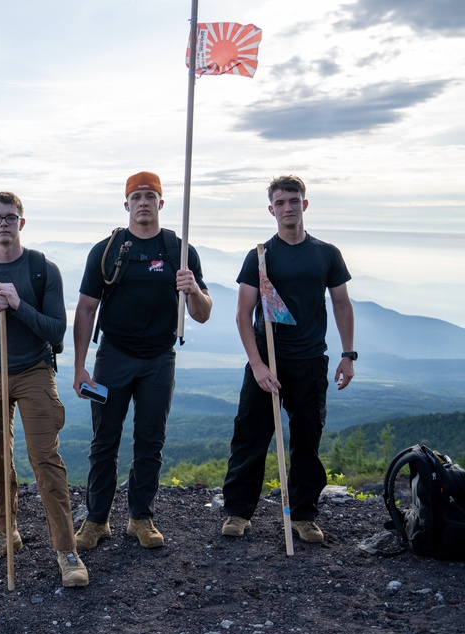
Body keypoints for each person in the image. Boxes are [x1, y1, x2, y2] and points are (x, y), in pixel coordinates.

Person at [72, 172, 212, 551]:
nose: (144, 202)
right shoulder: (107, 250)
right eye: (137, 197)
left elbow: (203, 313)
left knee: (150, 440)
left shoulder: (180, 251)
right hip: (112, 357)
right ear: (127, 204)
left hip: (159, 358)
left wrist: (192, 287)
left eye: (151, 196)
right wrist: (79, 366)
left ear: (162, 203)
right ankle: (96, 520)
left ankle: (141, 518)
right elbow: (86, 309)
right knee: (104, 442)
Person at [0, 191, 88, 588]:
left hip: (33, 370)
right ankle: (4, 531)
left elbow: (56, 331)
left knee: (45, 461)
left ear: (21, 223)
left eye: (10, 217)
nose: (3, 224)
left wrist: (17, 305)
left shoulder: (41, 269)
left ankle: (67, 550)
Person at [221, 175, 356, 543]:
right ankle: (237, 512)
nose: (287, 208)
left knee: (307, 440)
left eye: (293, 201)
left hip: (311, 360)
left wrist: (348, 355)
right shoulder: (261, 256)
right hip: (267, 359)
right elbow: (243, 314)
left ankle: (303, 515)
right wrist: (258, 366)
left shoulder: (326, 253)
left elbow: (342, 303)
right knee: (250, 436)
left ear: (304, 205)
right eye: (279, 203)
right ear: (271, 210)